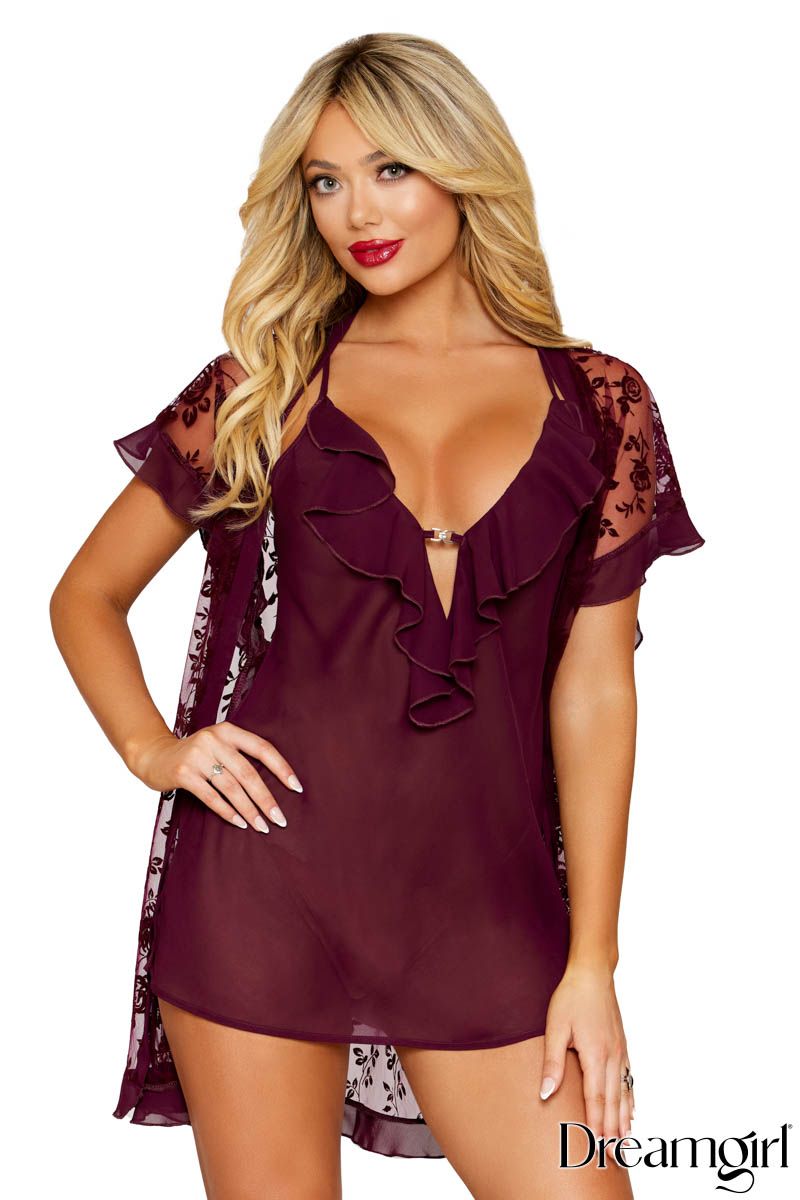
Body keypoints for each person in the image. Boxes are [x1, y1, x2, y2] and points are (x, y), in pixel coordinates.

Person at [50, 32, 705, 1200]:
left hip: (485, 912)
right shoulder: (263, 388)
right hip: (263, 893)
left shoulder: (600, 402)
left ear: (463, 167)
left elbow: (595, 689)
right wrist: (156, 748)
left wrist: (591, 962)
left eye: (391, 168)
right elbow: (86, 595)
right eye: (324, 180)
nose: (358, 211)